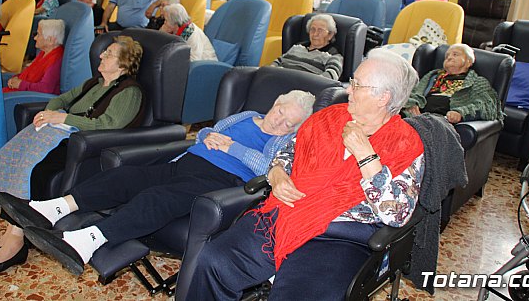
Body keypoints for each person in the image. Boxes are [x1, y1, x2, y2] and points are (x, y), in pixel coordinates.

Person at [185, 49, 464, 300]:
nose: (349, 89)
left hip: (340, 237)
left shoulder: (405, 144)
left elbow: (397, 215)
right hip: (286, 215)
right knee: (214, 260)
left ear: (384, 97)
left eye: (357, 84)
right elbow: (287, 154)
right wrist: (278, 174)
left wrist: (366, 155)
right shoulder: (327, 118)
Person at [0, 91, 316, 276]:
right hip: (188, 162)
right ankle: (53, 208)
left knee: (160, 197)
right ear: (275, 102)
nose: (279, 122)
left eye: (290, 123)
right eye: (280, 112)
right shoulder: (247, 115)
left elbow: (270, 169)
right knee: (127, 176)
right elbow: (206, 133)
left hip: (221, 182)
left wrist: (233, 147)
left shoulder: (282, 142)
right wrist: (212, 138)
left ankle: (86, 241)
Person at [0, 36, 145, 275]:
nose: (101, 56)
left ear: (124, 64)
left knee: (36, 169)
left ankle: (16, 238)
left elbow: (110, 124)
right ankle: (12, 228)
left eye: (108, 54)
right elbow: (63, 98)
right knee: (11, 155)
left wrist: (63, 118)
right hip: (65, 135)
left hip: (88, 144)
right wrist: (50, 112)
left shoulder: (130, 92)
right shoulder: (94, 84)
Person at [402, 43, 502, 123]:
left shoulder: (477, 82)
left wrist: (460, 113)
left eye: (455, 54)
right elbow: (414, 93)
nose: (449, 57)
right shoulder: (432, 76)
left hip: (442, 120)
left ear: (469, 62)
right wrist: (412, 104)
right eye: (447, 56)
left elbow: (487, 106)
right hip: (418, 117)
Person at [270, 14, 343, 81]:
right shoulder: (297, 47)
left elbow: (329, 78)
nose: (315, 34)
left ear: (330, 35)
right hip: (279, 80)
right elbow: (278, 61)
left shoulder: (334, 55)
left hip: (302, 88)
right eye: (312, 29)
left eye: (320, 30)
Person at [3, 19, 65, 95]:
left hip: (24, 97)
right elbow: (29, 73)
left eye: (38, 34)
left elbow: (46, 88)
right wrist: (16, 78)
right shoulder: (44, 52)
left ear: (50, 40)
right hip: (16, 92)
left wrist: (20, 84)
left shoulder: (56, 59)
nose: (35, 38)